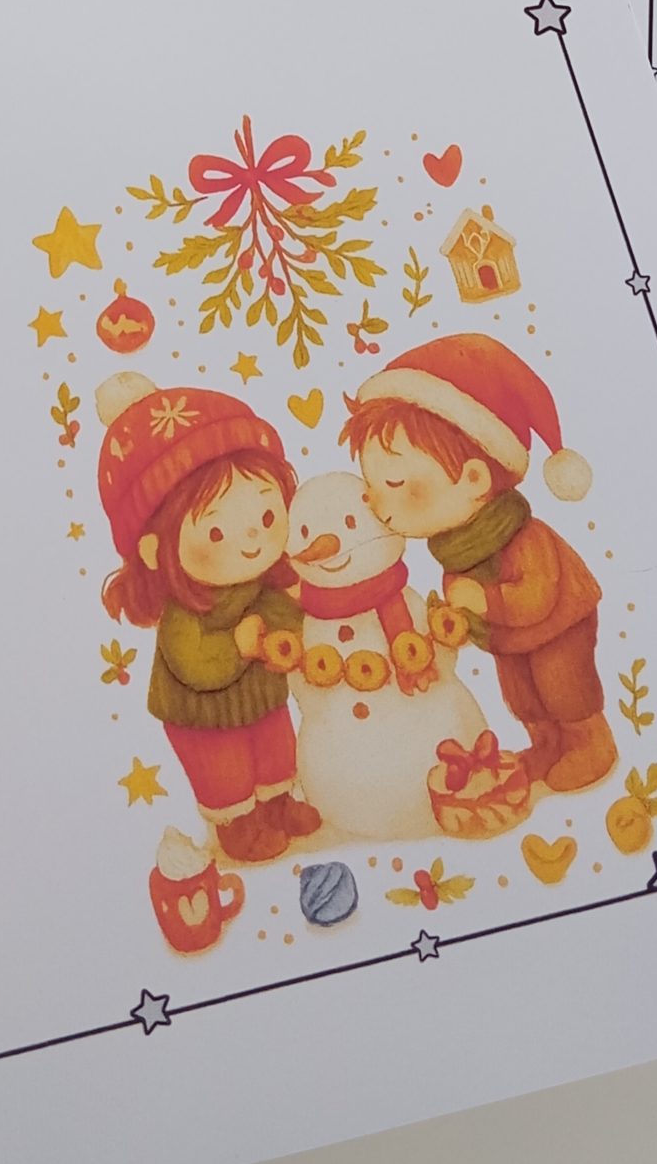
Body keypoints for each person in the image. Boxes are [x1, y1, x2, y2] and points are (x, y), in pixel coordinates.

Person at [341, 333, 616, 794]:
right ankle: (545, 744)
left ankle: (589, 743)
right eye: (373, 488)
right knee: (522, 692)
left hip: (559, 625)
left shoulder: (523, 538)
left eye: (396, 484)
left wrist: (485, 602)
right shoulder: (460, 548)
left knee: (562, 685)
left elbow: (537, 596)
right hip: (511, 640)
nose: (379, 505)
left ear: (473, 478)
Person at [97, 370, 321, 863]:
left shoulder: (260, 584)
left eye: (266, 517)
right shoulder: (184, 614)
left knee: (275, 747)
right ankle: (240, 824)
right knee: (226, 771)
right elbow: (194, 665)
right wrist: (240, 644)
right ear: (154, 551)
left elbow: (282, 610)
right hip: (203, 719)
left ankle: (279, 803)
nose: (252, 539)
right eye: (217, 533)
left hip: (261, 699)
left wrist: (289, 621)